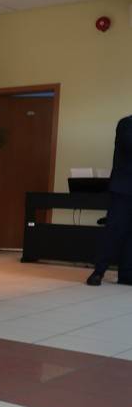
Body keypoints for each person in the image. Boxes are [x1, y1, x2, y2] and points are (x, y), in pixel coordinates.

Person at [87, 115, 132, 286]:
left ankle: (127, 275)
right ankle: (98, 271)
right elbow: (129, 145)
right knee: (114, 230)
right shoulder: (126, 123)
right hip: (123, 188)